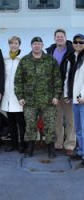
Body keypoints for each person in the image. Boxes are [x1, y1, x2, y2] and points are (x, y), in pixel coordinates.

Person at [14, 36, 62, 158]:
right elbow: (18, 81)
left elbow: (57, 79)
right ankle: (30, 148)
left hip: (48, 100)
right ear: (31, 45)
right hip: (30, 101)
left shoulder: (50, 60)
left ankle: (51, 148)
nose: (37, 45)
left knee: (50, 125)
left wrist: (57, 96)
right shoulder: (25, 60)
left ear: (42, 45)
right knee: (30, 125)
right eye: (34, 43)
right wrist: (20, 96)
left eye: (39, 44)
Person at [46, 29, 76, 156]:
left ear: (65, 38)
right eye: (57, 37)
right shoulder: (49, 51)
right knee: (56, 119)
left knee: (70, 120)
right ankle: (58, 143)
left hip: (67, 90)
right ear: (54, 38)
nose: (59, 38)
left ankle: (70, 145)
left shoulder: (72, 51)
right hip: (54, 91)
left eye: (61, 37)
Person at [0, 36, 26, 153]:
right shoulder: (5, 59)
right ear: (9, 45)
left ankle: (22, 144)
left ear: (19, 45)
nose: (13, 45)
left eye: (16, 43)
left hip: (18, 96)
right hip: (7, 95)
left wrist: (24, 94)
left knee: (21, 122)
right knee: (11, 122)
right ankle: (13, 144)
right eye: (11, 43)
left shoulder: (23, 59)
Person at [65, 34, 84, 167]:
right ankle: (81, 151)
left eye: (81, 42)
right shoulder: (71, 57)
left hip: (82, 99)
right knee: (78, 129)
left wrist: (83, 95)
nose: (78, 44)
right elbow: (68, 78)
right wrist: (67, 94)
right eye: (75, 42)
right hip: (74, 99)